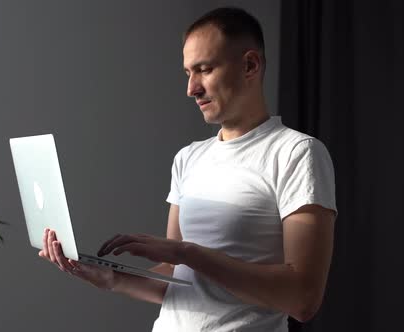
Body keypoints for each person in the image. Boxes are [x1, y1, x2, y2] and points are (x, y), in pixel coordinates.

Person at [40, 7, 337, 332]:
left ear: (250, 65)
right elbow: (178, 279)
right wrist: (109, 277)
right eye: (187, 73)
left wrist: (187, 253)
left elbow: (303, 299)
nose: (191, 88)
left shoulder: (297, 153)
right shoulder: (188, 158)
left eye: (205, 69)